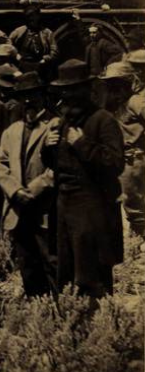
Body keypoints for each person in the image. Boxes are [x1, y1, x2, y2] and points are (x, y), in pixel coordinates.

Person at [43, 59, 125, 299]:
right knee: (65, 271)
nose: (67, 95)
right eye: (64, 90)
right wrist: (48, 149)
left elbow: (115, 163)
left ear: (87, 90)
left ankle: (98, 330)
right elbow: (57, 164)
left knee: (92, 275)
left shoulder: (103, 120)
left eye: (73, 89)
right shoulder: (64, 122)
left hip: (93, 207)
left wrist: (82, 144)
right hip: (64, 204)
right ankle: (73, 328)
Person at [0, 72, 57, 297]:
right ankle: (35, 310)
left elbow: (58, 166)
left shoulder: (54, 126)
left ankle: (60, 314)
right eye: (24, 96)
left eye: (33, 95)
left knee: (51, 261)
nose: (28, 101)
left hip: (45, 208)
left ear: (42, 95)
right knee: (27, 263)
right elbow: (0, 163)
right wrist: (15, 190)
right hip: (18, 207)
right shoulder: (12, 130)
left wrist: (35, 189)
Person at [100, 61, 145, 238]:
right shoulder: (119, 101)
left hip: (135, 159)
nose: (113, 89)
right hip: (124, 158)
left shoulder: (136, 101)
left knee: (134, 204)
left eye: (117, 83)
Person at [9, 3, 57, 75]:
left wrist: (45, 59)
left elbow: (55, 51)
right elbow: (8, 42)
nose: (31, 20)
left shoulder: (47, 33)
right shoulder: (19, 31)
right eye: (29, 17)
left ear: (38, 17)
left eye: (33, 17)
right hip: (23, 66)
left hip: (41, 65)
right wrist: (15, 54)